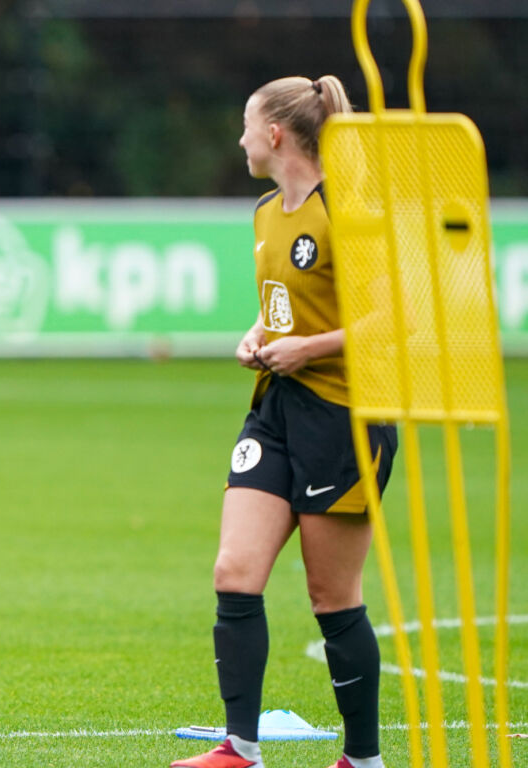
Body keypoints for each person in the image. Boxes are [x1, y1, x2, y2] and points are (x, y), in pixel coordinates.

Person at [171, 76, 397, 768]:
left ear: (274, 135)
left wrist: (310, 348)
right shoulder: (266, 213)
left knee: (332, 595)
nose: (238, 139)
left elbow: (394, 317)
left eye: (246, 125)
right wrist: (258, 337)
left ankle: (362, 759)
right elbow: (285, 311)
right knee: (234, 570)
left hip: (345, 420)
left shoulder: (348, 209)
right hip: (274, 411)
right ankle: (239, 748)